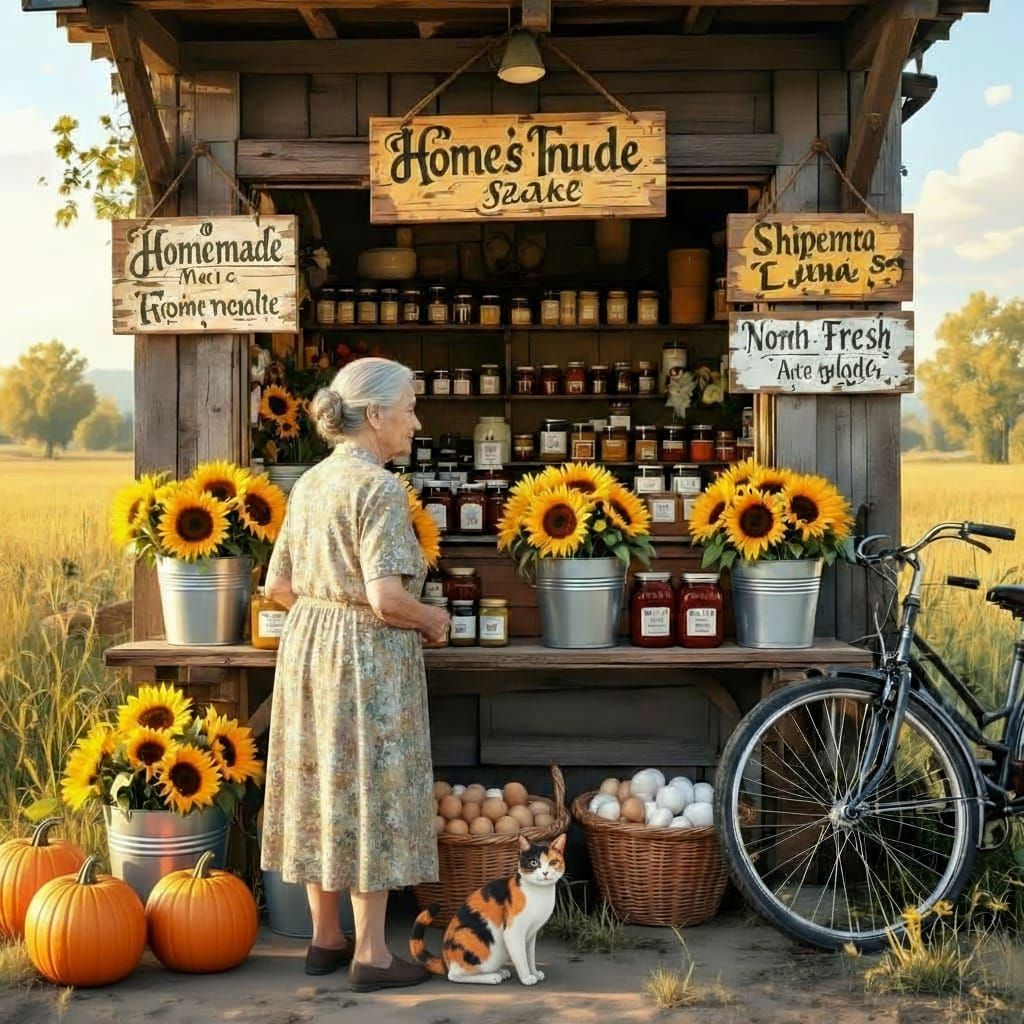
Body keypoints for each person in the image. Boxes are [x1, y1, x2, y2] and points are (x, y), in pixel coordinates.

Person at [261, 357, 450, 992]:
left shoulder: (310, 483)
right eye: (410, 408)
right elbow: (386, 599)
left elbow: (278, 585)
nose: (416, 422)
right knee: (371, 787)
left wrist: (323, 615)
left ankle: (325, 938)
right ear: (374, 415)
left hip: (309, 647)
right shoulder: (379, 489)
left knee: (323, 784)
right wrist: (431, 619)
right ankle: (370, 954)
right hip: (367, 654)